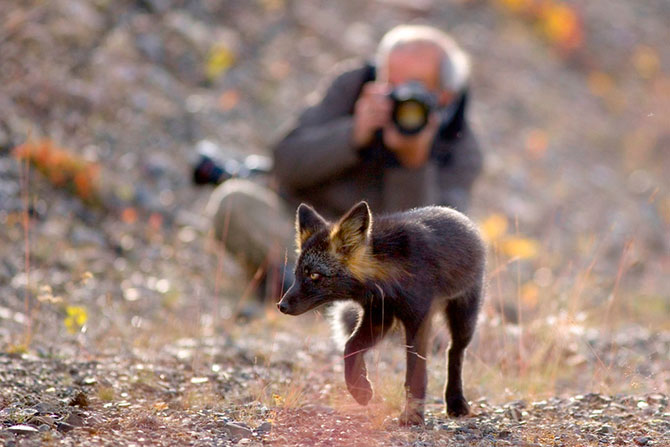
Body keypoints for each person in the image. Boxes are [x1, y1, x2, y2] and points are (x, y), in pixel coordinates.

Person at [207, 24, 483, 300]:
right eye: (390, 84)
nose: (399, 98)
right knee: (234, 202)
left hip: (369, 270)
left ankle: (302, 291)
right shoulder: (354, 87)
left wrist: (412, 164)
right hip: (302, 235)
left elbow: (429, 250)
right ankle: (307, 289)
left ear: (445, 95)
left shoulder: (460, 150)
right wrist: (352, 135)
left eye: (413, 89)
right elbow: (285, 164)